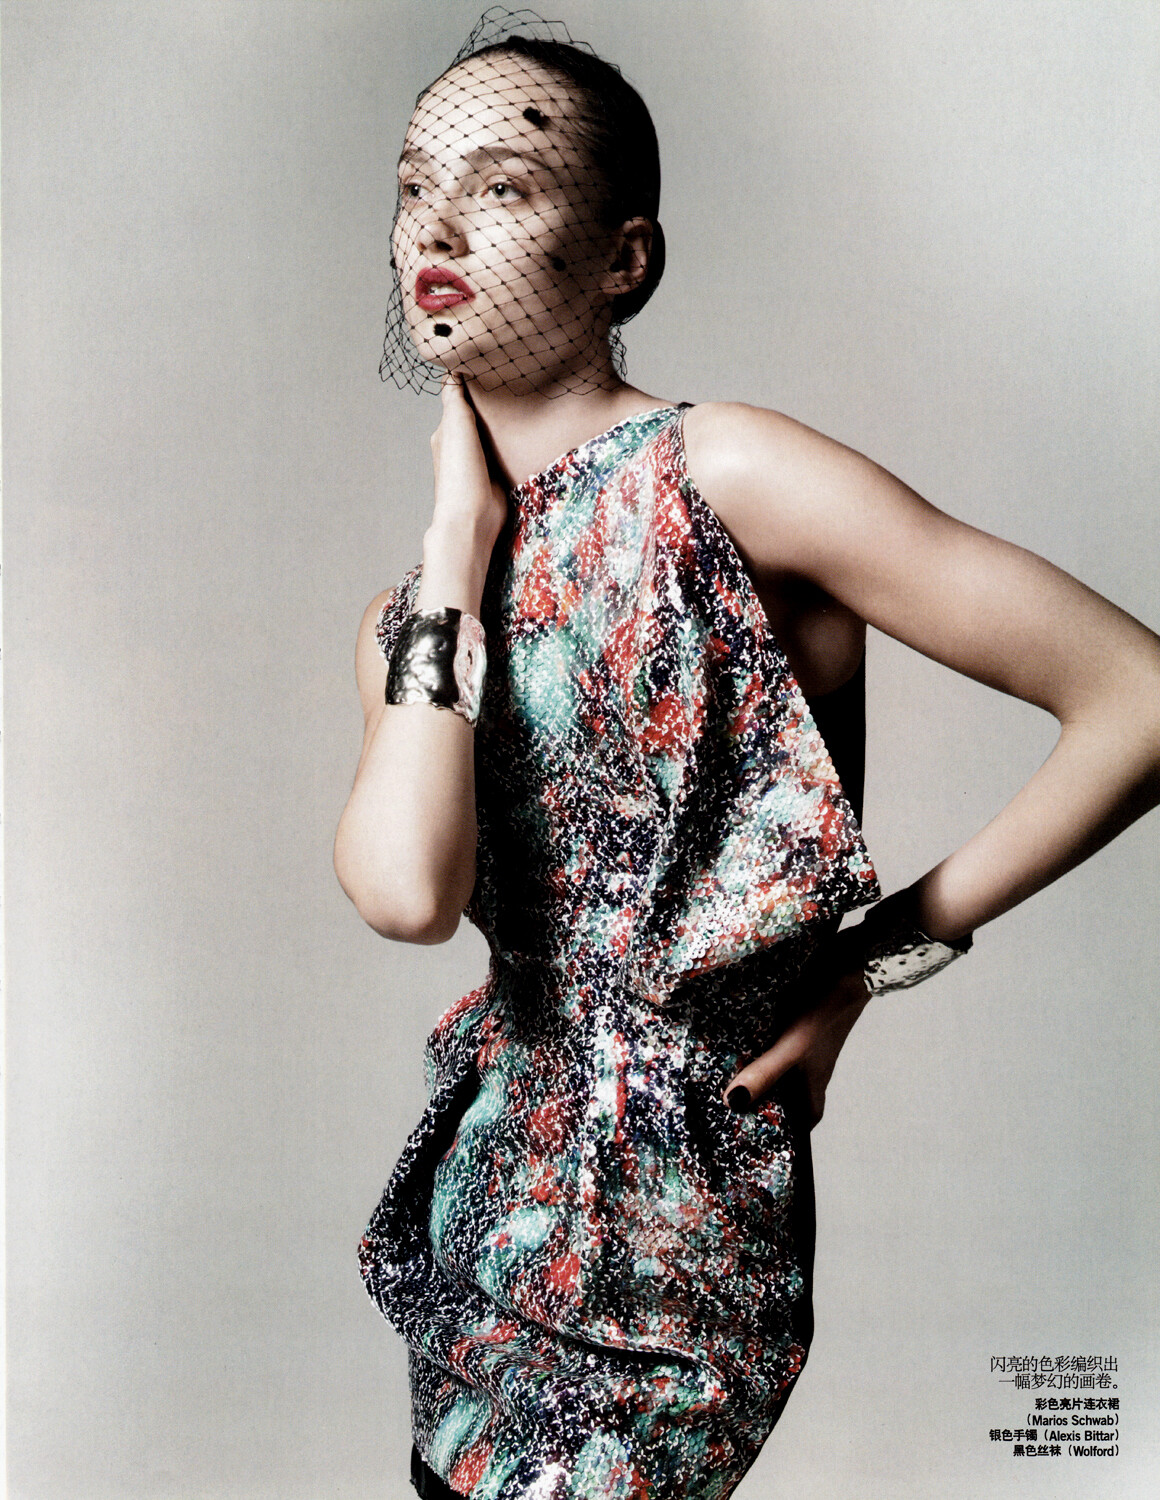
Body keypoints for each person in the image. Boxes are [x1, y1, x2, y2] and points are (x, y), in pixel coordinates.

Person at [334, 17, 1160, 1500]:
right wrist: (456, 544)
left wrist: (872, 960)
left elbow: (1138, 699)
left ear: (623, 260)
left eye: (503, 186)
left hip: (679, 1235)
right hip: (490, 1216)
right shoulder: (416, 626)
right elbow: (404, 897)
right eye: (413, 187)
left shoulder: (724, 474)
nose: (439, 227)